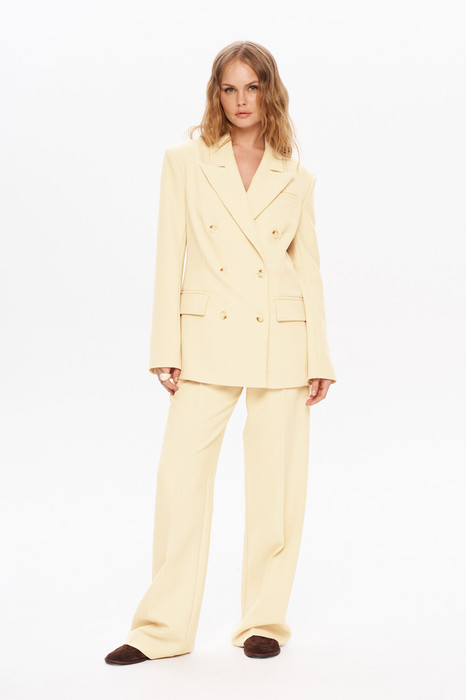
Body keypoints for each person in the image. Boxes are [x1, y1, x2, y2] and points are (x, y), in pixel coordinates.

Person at [105, 39, 336, 664]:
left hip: (281, 338)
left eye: (252, 87)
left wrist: (319, 355)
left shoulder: (296, 176)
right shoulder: (185, 162)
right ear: (217, 94)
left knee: (276, 487)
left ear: (269, 91)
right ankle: (160, 630)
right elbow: (169, 255)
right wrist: (165, 344)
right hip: (206, 335)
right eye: (230, 88)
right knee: (179, 483)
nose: (241, 100)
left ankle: (264, 621)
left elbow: (307, 269)